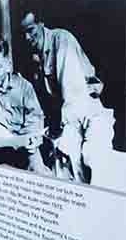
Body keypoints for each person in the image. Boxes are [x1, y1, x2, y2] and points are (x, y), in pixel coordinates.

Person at [21, 12, 114, 182]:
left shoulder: (61, 40)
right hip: (67, 114)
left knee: (92, 160)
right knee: (63, 166)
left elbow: (72, 92)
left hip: (86, 109)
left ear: (41, 23)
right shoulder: (36, 56)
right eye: (23, 34)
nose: (27, 38)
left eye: (31, 30)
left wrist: (60, 131)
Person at [0, 40, 49, 173]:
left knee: (38, 172)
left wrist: (29, 140)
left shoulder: (24, 88)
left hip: (25, 150)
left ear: (8, 65)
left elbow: (35, 120)